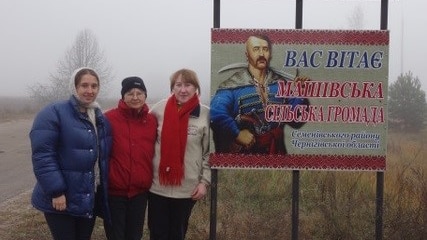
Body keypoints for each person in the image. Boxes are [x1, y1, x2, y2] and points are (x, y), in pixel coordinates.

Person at [29, 67, 112, 240]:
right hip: (61, 199)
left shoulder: (98, 116)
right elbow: (43, 156)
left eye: (94, 86)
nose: (89, 91)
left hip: (86, 197)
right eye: (84, 85)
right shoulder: (53, 112)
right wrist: (56, 191)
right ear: (74, 87)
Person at [210, 34, 310, 154]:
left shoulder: (280, 84)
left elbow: (296, 120)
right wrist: (237, 133)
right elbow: (216, 112)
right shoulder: (232, 86)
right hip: (245, 156)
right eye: (256, 49)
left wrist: (299, 93)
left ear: (270, 54)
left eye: (265, 49)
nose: (261, 54)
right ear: (247, 55)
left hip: (275, 153)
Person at [148, 68, 211, 240]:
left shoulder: (205, 114)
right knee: (157, 233)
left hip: (187, 189)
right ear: (172, 88)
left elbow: (209, 153)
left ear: (196, 87)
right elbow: (144, 140)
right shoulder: (158, 110)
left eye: (188, 85)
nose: (183, 90)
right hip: (157, 187)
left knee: (177, 233)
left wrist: (204, 182)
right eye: (178, 85)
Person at [103, 76, 157, 240]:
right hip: (115, 193)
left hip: (140, 194)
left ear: (145, 95)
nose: (135, 97)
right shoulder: (109, 118)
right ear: (123, 96)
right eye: (130, 93)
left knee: (135, 236)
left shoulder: (152, 121)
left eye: (139, 93)